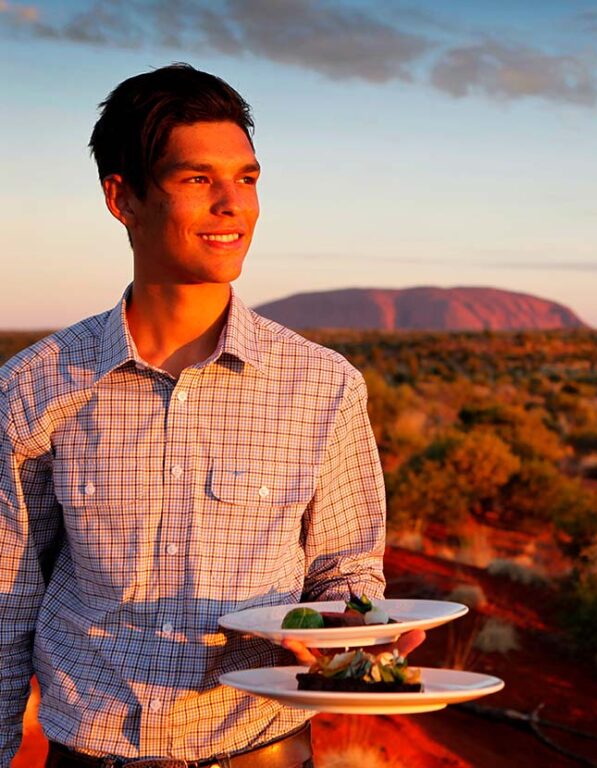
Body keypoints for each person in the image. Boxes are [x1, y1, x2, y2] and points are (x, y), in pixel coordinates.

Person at [0, 63, 420, 768]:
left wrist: (347, 631)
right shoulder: (34, 388)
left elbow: (345, 572)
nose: (234, 204)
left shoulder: (323, 386)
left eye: (247, 179)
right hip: (92, 754)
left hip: (263, 750)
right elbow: (6, 601)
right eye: (198, 179)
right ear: (122, 197)